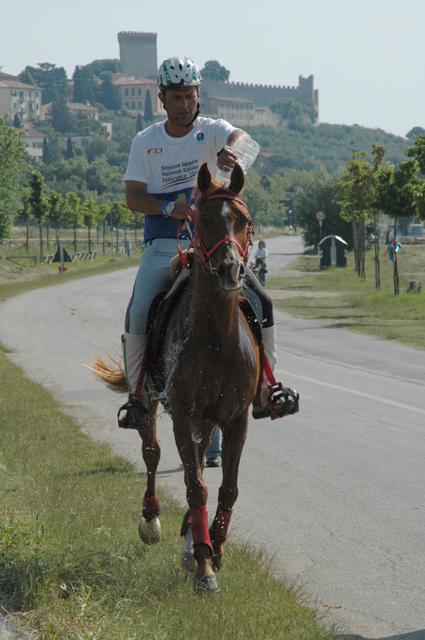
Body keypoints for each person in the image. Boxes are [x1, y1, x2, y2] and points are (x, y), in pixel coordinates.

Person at [118, 56, 298, 430]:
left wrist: (235, 154)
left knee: (262, 300)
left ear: (199, 96)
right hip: (164, 245)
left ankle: (266, 388)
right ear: (162, 98)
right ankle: (138, 395)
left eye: (190, 96)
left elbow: (246, 141)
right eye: (177, 97)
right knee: (139, 310)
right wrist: (170, 207)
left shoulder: (213, 129)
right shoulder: (145, 141)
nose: (185, 104)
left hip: (214, 248)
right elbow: (133, 197)